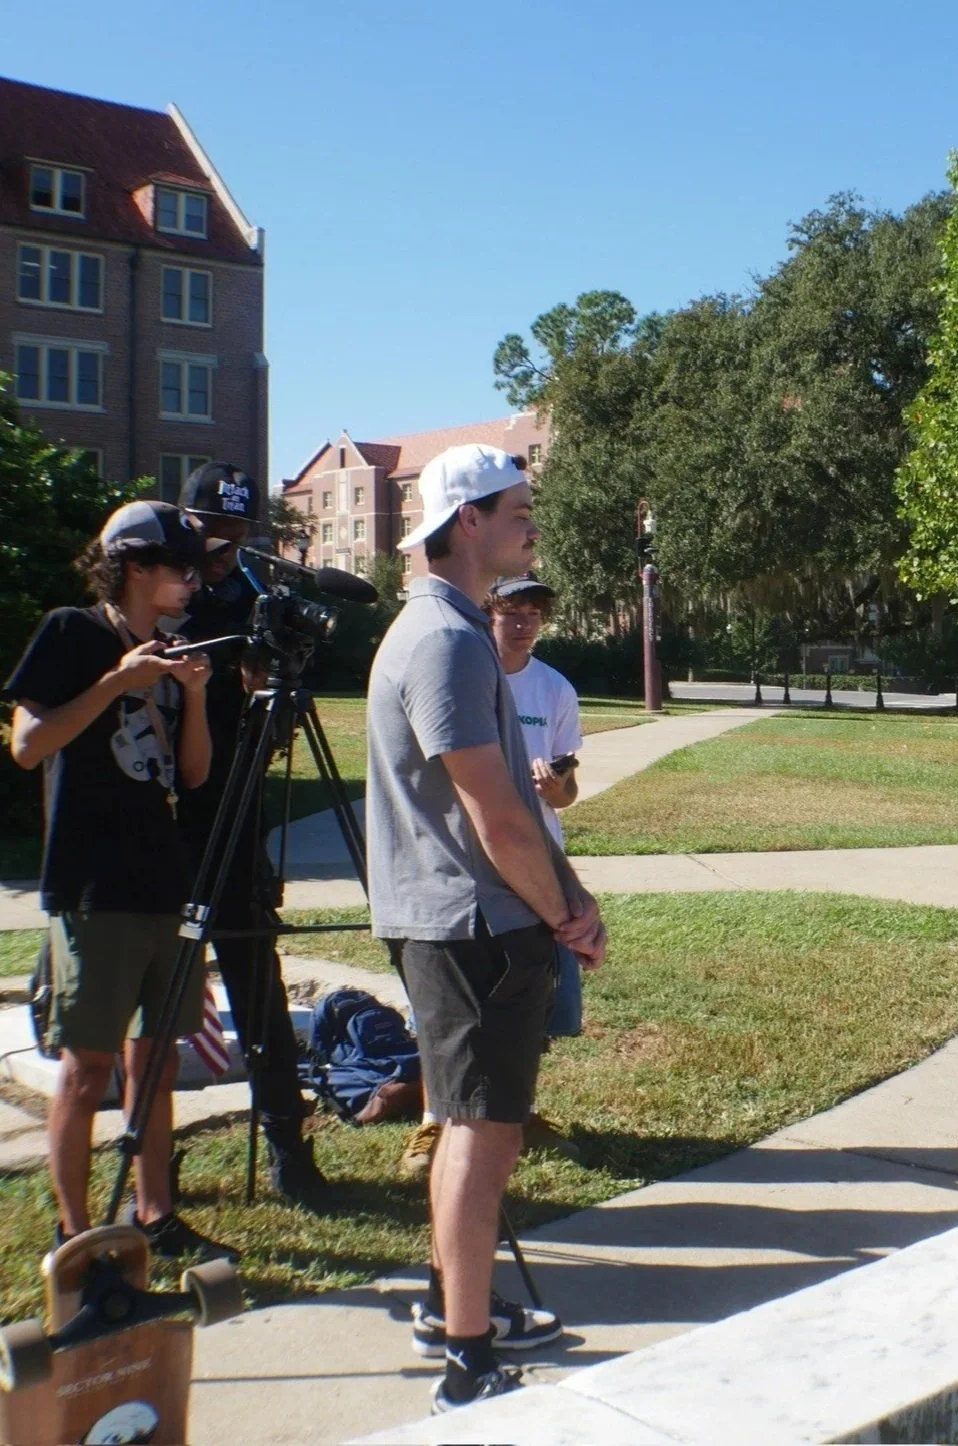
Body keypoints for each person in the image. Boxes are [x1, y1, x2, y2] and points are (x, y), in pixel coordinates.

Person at [366, 443, 609, 1411]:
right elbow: (495, 814)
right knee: (478, 1130)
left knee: (486, 1127)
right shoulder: (448, 640)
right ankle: (467, 1361)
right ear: (466, 519)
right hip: (473, 927)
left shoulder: (447, 629)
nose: (530, 524)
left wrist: (570, 895)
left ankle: (455, 1303)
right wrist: (565, 915)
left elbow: (513, 794)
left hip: (472, 920)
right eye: (517, 509)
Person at [5, 501, 238, 1260]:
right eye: (181, 567)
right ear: (135, 566)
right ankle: (73, 1233)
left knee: (159, 1057)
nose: (193, 582)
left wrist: (193, 695)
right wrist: (116, 682)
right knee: (87, 1066)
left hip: (161, 880)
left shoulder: (172, 650)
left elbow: (194, 774)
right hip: (92, 884)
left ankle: (154, 1215)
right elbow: (29, 745)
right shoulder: (73, 632)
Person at [178, 462, 333, 1210]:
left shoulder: (250, 597)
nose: (225, 551)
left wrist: (269, 685)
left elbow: (267, 720)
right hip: (166, 818)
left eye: (237, 536)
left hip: (235, 811)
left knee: (258, 989)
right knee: (158, 997)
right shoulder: (165, 593)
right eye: (213, 536)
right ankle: (154, 1179)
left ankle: (288, 1148)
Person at [396, 572, 586, 1179]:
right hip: (462, 867)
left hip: (531, 861)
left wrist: (558, 791)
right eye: (512, 610)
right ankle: (434, 1120)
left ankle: (517, 1109)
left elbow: (568, 793)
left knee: (529, 1001)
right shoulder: (458, 663)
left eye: (535, 612)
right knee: (448, 1011)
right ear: (489, 612)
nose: (525, 622)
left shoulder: (554, 689)